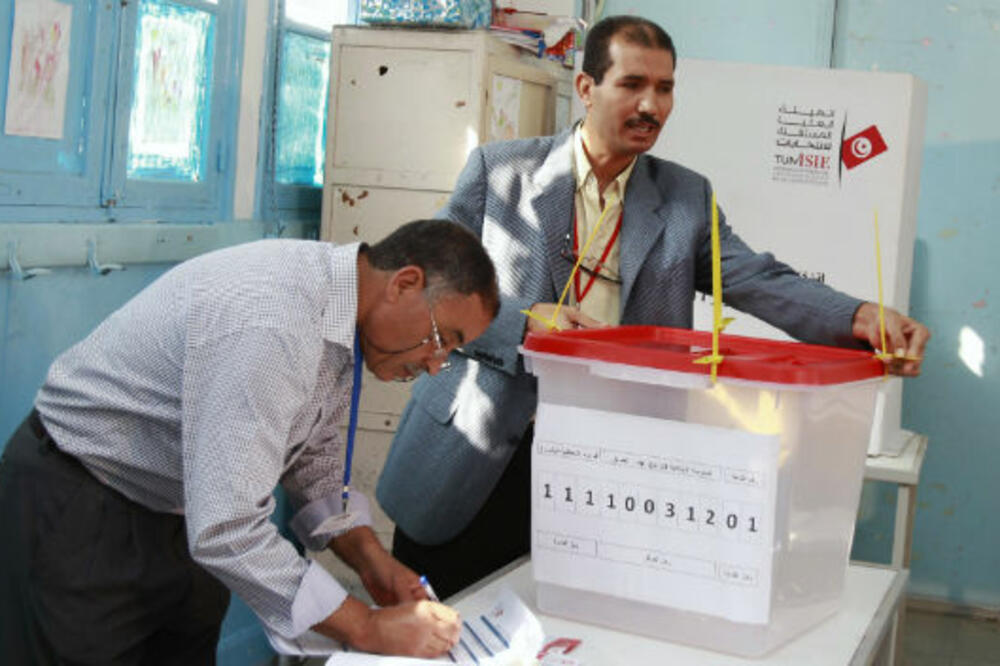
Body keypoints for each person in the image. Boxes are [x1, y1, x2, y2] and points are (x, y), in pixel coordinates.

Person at [375, 15, 931, 599]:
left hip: (609, 467)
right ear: (587, 88)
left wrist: (865, 318)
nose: (651, 105)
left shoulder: (685, 198)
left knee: (574, 628)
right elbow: (431, 287)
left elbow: (761, 279)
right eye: (633, 84)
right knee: (436, 628)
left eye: (665, 88)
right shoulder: (500, 172)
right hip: (476, 454)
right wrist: (524, 323)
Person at [0, 219, 500, 664]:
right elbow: (228, 526)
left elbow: (316, 465)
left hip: (178, 517)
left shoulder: (343, 317)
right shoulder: (275, 323)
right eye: (443, 337)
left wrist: (375, 563)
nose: (437, 364)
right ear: (405, 284)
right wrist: (364, 625)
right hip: (80, 503)